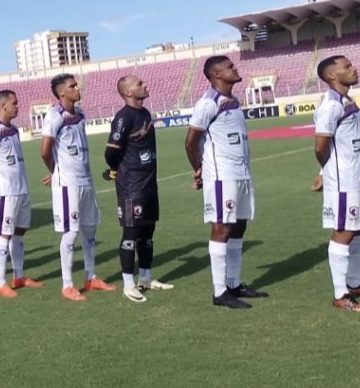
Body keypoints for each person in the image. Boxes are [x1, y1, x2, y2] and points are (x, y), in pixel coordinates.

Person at [185, 55, 269, 309]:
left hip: (241, 173)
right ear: (217, 75)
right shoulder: (207, 103)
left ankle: (233, 284)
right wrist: (199, 168)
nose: (235, 68)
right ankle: (219, 291)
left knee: (239, 227)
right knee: (221, 229)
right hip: (222, 176)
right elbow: (190, 141)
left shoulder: (234, 100)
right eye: (229, 67)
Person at [311, 55, 360, 312]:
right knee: (344, 231)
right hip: (345, 181)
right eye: (347, 66)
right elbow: (320, 147)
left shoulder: (346, 100)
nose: (354, 68)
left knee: (359, 227)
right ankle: (340, 294)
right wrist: (327, 171)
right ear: (331, 76)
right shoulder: (330, 106)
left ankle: (354, 283)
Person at [41, 75, 114, 302]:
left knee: (90, 230)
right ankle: (67, 284)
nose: (77, 88)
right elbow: (45, 151)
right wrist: (56, 172)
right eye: (72, 86)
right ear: (61, 92)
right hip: (67, 183)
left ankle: (90, 277)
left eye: (76, 84)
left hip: (86, 180)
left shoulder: (81, 114)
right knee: (71, 232)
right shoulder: (54, 116)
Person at [104, 75, 174, 303]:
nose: (145, 84)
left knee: (148, 233)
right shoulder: (124, 117)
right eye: (139, 84)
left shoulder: (144, 113)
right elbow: (111, 152)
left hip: (149, 184)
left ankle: (146, 276)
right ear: (127, 93)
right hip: (131, 186)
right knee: (131, 234)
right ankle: (128, 284)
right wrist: (116, 169)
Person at [0, 89, 43, 298]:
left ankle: (18, 275)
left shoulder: (14, 130)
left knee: (19, 233)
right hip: (6, 193)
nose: (17, 106)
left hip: (21, 189)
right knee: (4, 235)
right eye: (14, 103)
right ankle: (0, 282)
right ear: (3, 106)